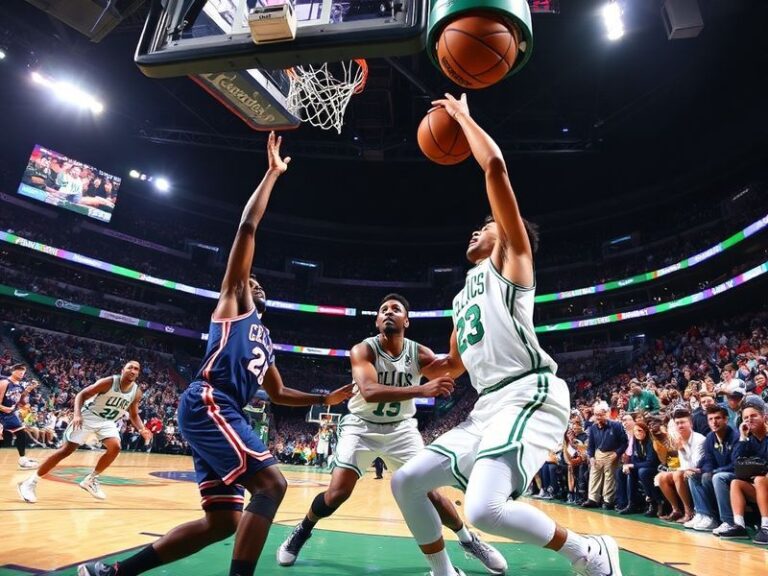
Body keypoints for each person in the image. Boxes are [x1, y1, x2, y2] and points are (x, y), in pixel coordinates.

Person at [78, 132, 353, 576]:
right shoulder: (233, 303)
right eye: (250, 278)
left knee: (222, 521)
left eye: (260, 283)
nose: (253, 281)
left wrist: (324, 400)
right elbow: (247, 229)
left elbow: (279, 393)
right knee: (272, 484)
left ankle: (115, 574)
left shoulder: (264, 338)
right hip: (210, 401)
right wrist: (271, 174)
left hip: (225, 410)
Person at [390, 94, 623, 576]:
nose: (476, 230)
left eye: (485, 224)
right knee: (407, 480)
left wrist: (463, 119)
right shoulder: (461, 298)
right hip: (486, 408)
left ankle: (590, 551)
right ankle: (443, 571)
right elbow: (452, 365)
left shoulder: (512, 260)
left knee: (483, 510)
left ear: (507, 233)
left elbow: (494, 166)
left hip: (528, 392)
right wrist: (396, 359)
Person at [277, 293, 504, 574]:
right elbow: (369, 392)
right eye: (383, 309)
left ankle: (469, 540)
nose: (388, 312)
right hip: (361, 425)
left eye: (395, 309)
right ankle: (302, 530)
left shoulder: (418, 353)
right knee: (337, 493)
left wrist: (459, 324)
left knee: (430, 493)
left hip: (401, 429)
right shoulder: (363, 350)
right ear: (376, 321)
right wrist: (420, 390)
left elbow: (454, 366)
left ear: (406, 320)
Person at [18, 361, 153, 503]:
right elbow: (81, 395)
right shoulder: (108, 382)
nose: (133, 370)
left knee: (116, 447)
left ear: (138, 373)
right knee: (66, 451)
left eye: (136, 369)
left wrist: (142, 429)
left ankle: (91, 479)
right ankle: (30, 482)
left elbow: (133, 414)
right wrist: (77, 415)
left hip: (107, 421)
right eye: (130, 367)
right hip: (88, 416)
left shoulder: (136, 392)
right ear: (122, 370)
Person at [716, 395, 768, 541]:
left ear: (764, 417)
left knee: (759, 479)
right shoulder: (749, 439)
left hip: (763, 482)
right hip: (761, 487)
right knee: (735, 483)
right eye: (746, 417)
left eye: (754, 416)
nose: (749, 420)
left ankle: (766, 527)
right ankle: (739, 526)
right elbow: (737, 462)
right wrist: (743, 437)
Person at [686, 404, 737, 532]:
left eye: (718, 418)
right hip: (717, 473)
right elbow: (709, 461)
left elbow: (736, 464)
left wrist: (713, 471)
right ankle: (705, 515)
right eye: (711, 419)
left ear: (726, 419)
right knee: (694, 476)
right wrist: (701, 470)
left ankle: (728, 521)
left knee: (714, 477)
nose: (714, 422)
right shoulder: (710, 437)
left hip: (734, 474)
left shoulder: (735, 436)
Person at [0, 363, 41, 470]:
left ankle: (23, 460)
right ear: (13, 371)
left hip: (10, 414)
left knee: (21, 434)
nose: (22, 373)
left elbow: (20, 402)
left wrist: (28, 390)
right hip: (2, 412)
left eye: (23, 372)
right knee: (2, 438)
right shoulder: (4, 383)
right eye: (20, 371)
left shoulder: (19, 385)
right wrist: (5, 408)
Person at [618, 421, 660, 517]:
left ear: (645, 431)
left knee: (642, 472)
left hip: (654, 468)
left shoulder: (651, 442)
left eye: (640, 430)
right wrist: (628, 466)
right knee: (621, 471)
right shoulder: (635, 442)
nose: (637, 433)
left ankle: (654, 503)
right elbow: (634, 459)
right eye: (635, 431)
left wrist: (632, 465)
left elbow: (651, 462)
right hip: (643, 466)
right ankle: (630, 503)